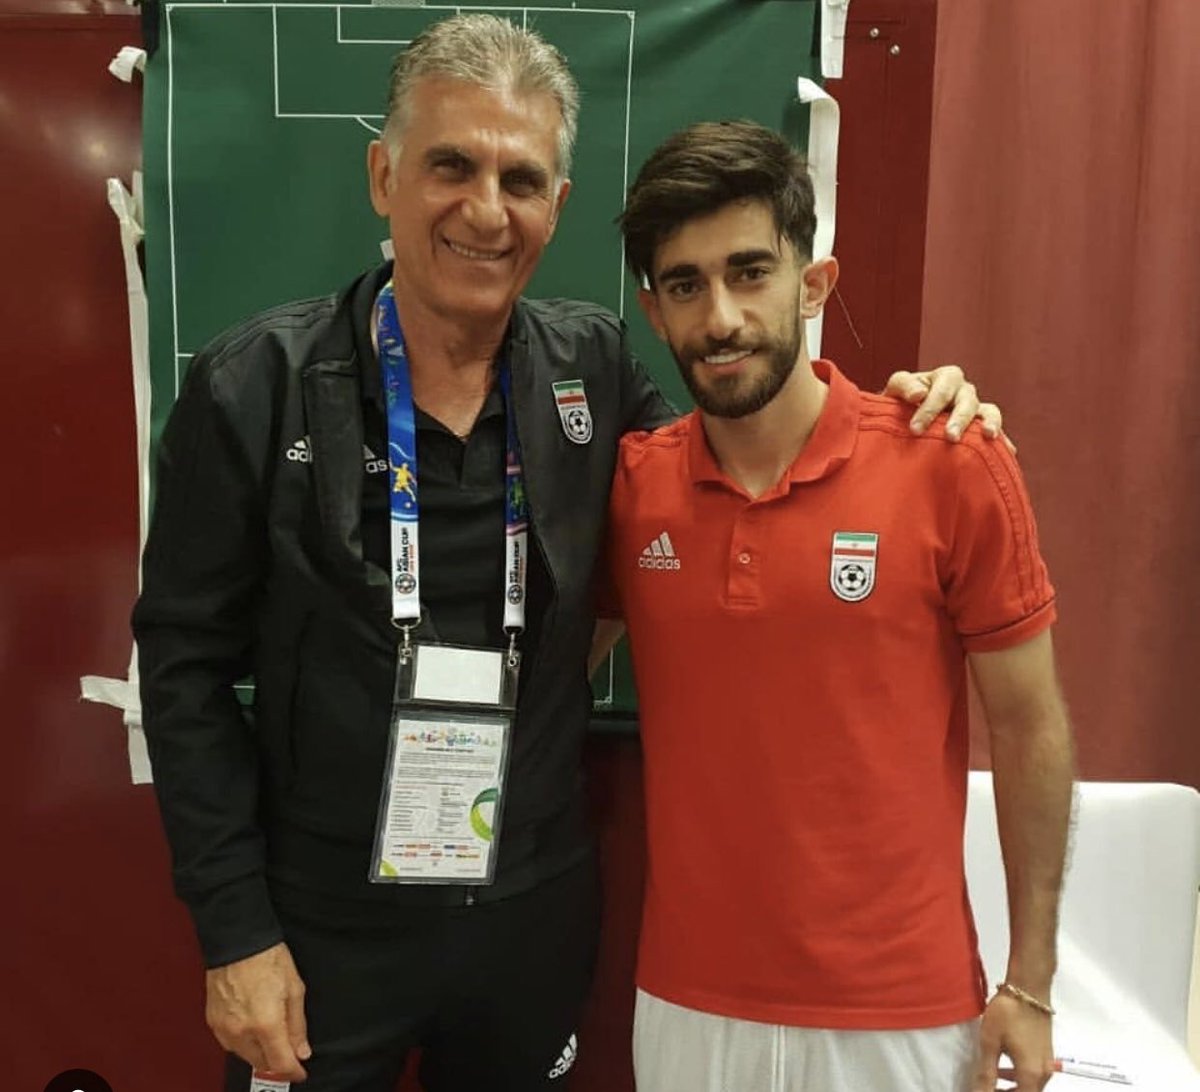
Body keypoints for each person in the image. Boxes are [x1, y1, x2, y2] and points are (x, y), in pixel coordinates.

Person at [132, 15, 1003, 1092]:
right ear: (383, 176)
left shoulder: (591, 367)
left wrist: (908, 415)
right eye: (451, 166)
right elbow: (182, 671)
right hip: (317, 928)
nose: (486, 209)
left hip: (530, 914)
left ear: (556, 206)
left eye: (523, 180)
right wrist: (235, 934)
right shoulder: (252, 387)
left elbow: (737, 468)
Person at [601, 120, 1074, 1092]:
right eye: (685, 285)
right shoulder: (629, 489)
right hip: (689, 1008)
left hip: (901, 1012)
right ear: (653, 310)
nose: (721, 317)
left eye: (750, 273)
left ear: (812, 283)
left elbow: (1031, 728)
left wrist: (1030, 984)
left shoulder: (951, 462)